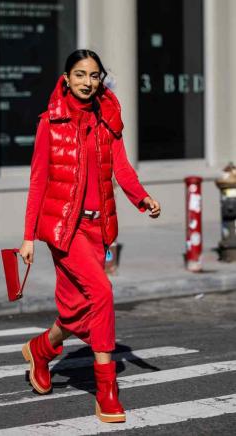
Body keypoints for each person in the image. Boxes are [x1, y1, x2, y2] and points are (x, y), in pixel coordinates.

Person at [19, 49, 161, 423]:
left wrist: (141, 197)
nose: (87, 82)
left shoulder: (107, 119)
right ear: (66, 78)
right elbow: (38, 180)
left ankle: (41, 350)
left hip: (99, 229)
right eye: (79, 75)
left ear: (101, 80)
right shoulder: (50, 122)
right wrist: (29, 236)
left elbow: (122, 168)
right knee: (101, 293)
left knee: (77, 308)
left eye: (94, 75)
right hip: (65, 228)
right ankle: (107, 390)